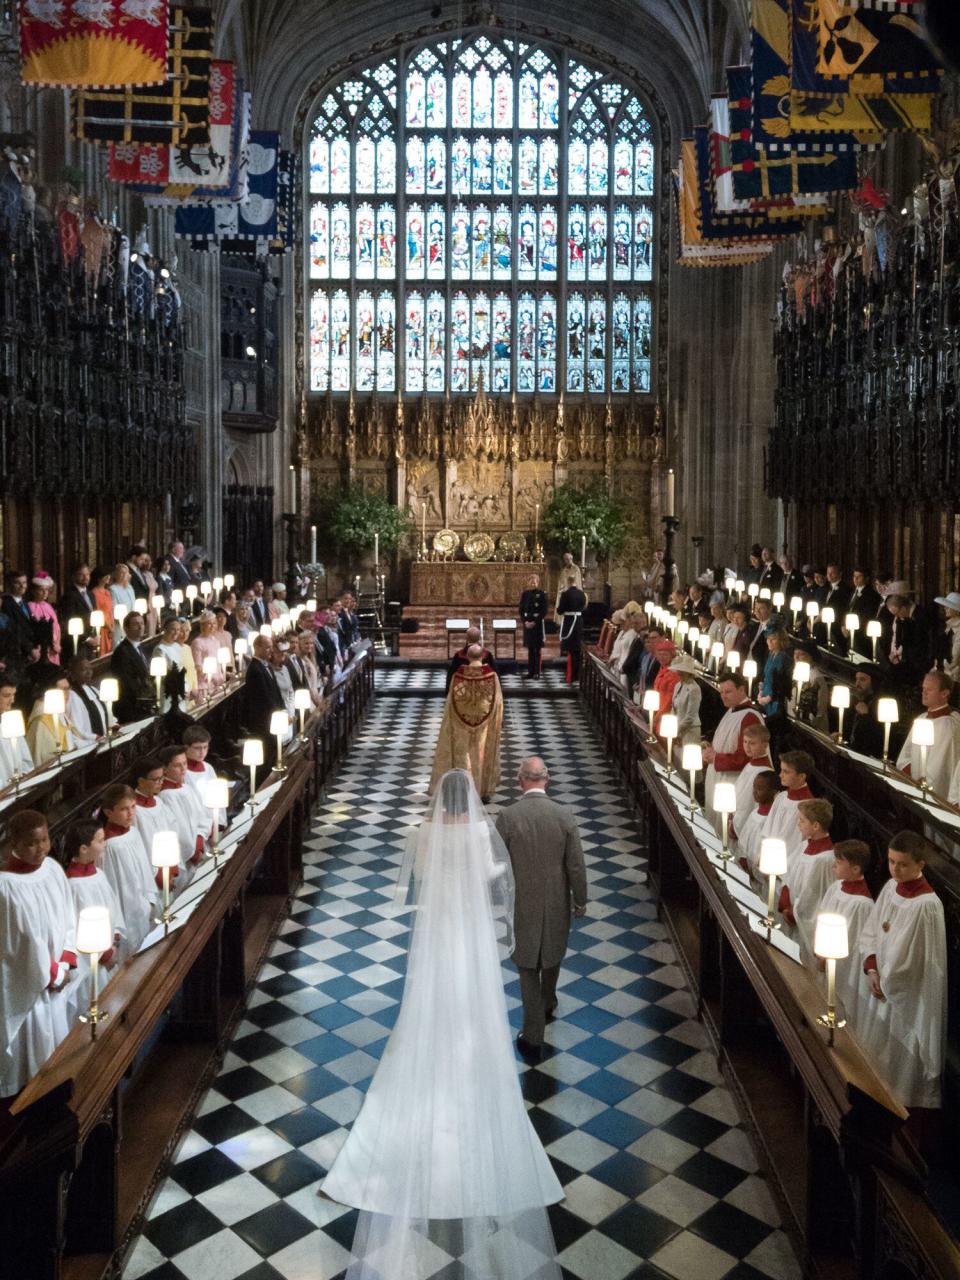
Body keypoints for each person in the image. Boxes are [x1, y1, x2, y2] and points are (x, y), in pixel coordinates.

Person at [322, 770, 563, 1279]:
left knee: (429, 989)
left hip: (438, 923)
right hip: (470, 926)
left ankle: (435, 1041)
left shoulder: (423, 833)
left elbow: (422, 879)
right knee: (472, 988)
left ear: (438, 799)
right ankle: (469, 1045)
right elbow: (493, 878)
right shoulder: (480, 833)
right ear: (472, 801)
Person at [496, 757, 587, 1061]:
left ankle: (533, 1034)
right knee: (551, 954)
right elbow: (575, 864)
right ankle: (547, 1002)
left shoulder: (508, 817)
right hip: (556, 902)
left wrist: (497, 901)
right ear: (547, 780)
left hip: (521, 902)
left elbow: (499, 865)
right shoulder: (564, 816)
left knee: (526, 965)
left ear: (520, 780)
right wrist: (581, 899)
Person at [860, 831, 947, 1112]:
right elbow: (873, 928)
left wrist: (885, 978)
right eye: (890, 861)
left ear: (921, 864)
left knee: (897, 1064)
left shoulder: (927, 905)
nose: (895, 869)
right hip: (881, 982)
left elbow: (911, 960)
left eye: (902, 864)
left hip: (905, 994)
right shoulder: (890, 887)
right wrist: (872, 967)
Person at [0, 810, 78, 1097]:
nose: (41, 848)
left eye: (45, 840)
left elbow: (68, 916)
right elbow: (17, 944)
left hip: (57, 975)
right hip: (30, 986)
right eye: (32, 843)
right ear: (14, 844)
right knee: (33, 1054)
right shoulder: (5, 887)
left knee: (59, 1048)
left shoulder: (53, 869)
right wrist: (53, 973)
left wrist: (67, 958)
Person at [816, 839, 873, 1036]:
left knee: (838, 1007)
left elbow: (855, 943)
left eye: (839, 862)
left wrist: (827, 958)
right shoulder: (837, 887)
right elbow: (823, 914)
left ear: (856, 868)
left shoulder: (863, 904)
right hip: (825, 956)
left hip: (842, 968)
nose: (834, 865)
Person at [430, 644, 503, 800]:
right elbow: (498, 703)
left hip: (460, 723)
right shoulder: (492, 676)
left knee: (464, 755)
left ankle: (462, 790)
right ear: (483, 656)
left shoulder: (457, 677)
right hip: (484, 724)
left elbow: (450, 702)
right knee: (481, 754)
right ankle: (482, 791)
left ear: (468, 656)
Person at [99, 783, 159, 953]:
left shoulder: (133, 832)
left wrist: (150, 900)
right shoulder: (110, 846)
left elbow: (145, 870)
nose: (131, 813)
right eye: (124, 809)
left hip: (143, 907)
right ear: (109, 812)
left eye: (133, 807)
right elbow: (115, 888)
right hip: (127, 914)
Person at [62, 820, 126, 971]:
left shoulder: (99, 873)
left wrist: (115, 933)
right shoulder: (73, 885)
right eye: (100, 841)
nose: (105, 844)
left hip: (110, 947)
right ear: (84, 849)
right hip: (91, 960)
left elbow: (111, 905)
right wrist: (104, 954)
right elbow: (77, 926)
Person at [777, 798, 835, 963]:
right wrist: (786, 897)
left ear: (816, 826)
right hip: (792, 910)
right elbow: (790, 873)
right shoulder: (804, 846)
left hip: (804, 921)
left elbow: (815, 897)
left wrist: (794, 911)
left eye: (802, 821)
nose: (798, 825)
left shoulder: (825, 859)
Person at [702, 671, 763, 826]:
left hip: (732, 782)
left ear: (742, 690)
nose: (723, 696)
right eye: (721, 692)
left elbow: (746, 757)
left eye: (728, 691)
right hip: (719, 779)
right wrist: (710, 747)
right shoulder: (732, 710)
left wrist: (715, 758)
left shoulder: (749, 716)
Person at [896, 670, 960, 799]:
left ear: (944, 693)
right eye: (923, 688)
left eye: (929, 689)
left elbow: (938, 769)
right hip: (913, 785)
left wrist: (921, 785)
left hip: (929, 793)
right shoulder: (922, 718)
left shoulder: (948, 725)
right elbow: (906, 756)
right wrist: (909, 780)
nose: (923, 693)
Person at [764, 750, 815, 869]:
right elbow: (769, 829)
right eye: (781, 770)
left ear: (802, 776)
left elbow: (794, 843)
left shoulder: (807, 807)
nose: (780, 775)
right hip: (769, 859)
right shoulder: (781, 797)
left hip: (784, 866)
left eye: (786, 772)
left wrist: (775, 865)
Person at [241, 635, 287, 758]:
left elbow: (276, 691)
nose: (271, 651)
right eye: (267, 648)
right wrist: (280, 715)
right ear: (257, 647)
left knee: (276, 751)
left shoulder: (266, 666)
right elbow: (265, 697)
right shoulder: (254, 669)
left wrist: (283, 710)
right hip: (264, 721)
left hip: (274, 717)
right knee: (269, 754)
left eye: (271, 647)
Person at [731, 722, 773, 843]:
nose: (747, 747)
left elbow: (749, 803)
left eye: (752, 743)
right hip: (735, 817)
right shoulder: (750, 764)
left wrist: (735, 825)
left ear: (765, 745)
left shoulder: (764, 772)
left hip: (746, 825)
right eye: (745, 742)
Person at [110, 612, 153, 723]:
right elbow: (127, 683)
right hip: (131, 709)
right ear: (126, 628)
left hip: (143, 706)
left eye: (142, 623)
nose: (140, 627)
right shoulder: (122, 652)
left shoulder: (140, 647)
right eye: (135, 624)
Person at [26, 672, 76, 767]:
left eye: (68, 689)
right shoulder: (40, 720)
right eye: (64, 690)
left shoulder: (59, 712)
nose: (68, 694)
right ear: (50, 691)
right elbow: (41, 756)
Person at [737, 769, 779, 879]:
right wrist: (744, 861)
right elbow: (744, 840)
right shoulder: (754, 813)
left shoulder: (772, 819)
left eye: (760, 788)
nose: (754, 791)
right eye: (754, 786)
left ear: (773, 791)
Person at [757, 626, 793, 740]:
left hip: (776, 701)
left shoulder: (784, 658)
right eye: (768, 639)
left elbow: (783, 683)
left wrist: (769, 697)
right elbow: (767, 676)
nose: (769, 642)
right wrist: (761, 691)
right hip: (765, 696)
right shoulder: (771, 654)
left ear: (781, 641)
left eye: (773, 639)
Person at [65, 654, 107, 743]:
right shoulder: (73, 696)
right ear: (73, 673)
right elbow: (77, 727)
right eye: (84, 669)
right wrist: (96, 737)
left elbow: (105, 713)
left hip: (103, 738)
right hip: (90, 743)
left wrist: (114, 725)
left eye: (90, 669)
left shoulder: (94, 690)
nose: (89, 672)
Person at [0, 675, 33, 786]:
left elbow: (25, 758)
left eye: (13, 695)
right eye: (6, 696)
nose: (12, 700)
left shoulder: (11, 719)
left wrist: (24, 774)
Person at [58, 563, 96, 660]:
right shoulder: (69, 595)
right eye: (81, 575)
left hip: (92, 639)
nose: (85, 577)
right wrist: (86, 639)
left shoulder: (90, 594)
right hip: (77, 642)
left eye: (87, 574)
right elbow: (69, 620)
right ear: (74, 576)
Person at [792, 643, 830, 734]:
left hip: (813, 727)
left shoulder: (817, 678)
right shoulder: (795, 672)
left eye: (801, 654)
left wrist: (812, 726)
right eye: (795, 653)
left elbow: (820, 708)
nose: (796, 657)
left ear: (811, 657)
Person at [557, 574, 587, 683]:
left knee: (570, 650)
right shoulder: (582, 594)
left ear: (568, 581)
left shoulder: (565, 594)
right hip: (578, 622)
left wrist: (559, 609)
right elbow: (584, 607)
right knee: (576, 650)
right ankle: (576, 675)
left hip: (569, 622)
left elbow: (560, 610)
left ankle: (570, 675)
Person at [2, 570, 36, 661]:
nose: (22, 586)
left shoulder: (24, 602)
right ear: (9, 584)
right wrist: (30, 649)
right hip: (16, 652)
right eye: (17, 583)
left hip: (30, 651)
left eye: (24, 582)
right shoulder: (5, 604)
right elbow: (13, 630)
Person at [667, 652, 701, 744]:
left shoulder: (694, 689)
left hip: (690, 731)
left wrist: (677, 730)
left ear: (688, 673)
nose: (679, 673)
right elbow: (673, 708)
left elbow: (690, 716)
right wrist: (672, 727)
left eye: (682, 671)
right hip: (677, 730)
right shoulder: (678, 685)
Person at [191, 611, 226, 700]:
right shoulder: (197, 642)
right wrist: (213, 677)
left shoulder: (216, 641)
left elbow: (218, 663)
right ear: (203, 626)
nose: (212, 626)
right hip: (204, 685)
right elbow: (198, 666)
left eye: (214, 623)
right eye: (209, 624)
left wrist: (221, 675)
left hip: (217, 683)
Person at [519, 574, 547, 678]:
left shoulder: (542, 594)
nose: (532, 582)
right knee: (530, 649)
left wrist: (534, 622)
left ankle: (537, 672)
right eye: (531, 580)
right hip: (527, 625)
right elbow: (521, 610)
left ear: (538, 582)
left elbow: (544, 611)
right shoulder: (525, 594)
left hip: (537, 625)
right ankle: (530, 672)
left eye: (534, 581)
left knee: (537, 650)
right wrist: (525, 622)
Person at [934, 590, 960, 683]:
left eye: (948, 607)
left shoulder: (958, 628)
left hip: (955, 675)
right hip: (946, 671)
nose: (945, 608)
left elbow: (955, 655)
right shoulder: (949, 626)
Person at [109, 563, 136, 648]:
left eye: (126, 573)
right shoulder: (113, 589)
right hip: (120, 624)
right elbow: (114, 608)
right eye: (121, 573)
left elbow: (133, 605)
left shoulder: (130, 587)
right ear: (116, 574)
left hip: (132, 623)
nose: (124, 575)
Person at [90, 566, 115, 655]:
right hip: (102, 626)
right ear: (99, 578)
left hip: (110, 626)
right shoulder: (94, 593)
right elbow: (98, 612)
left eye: (109, 575)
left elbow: (110, 610)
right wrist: (109, 627)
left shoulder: (107, 592)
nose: (108, 577)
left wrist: (112, 626)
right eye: (106, 576)